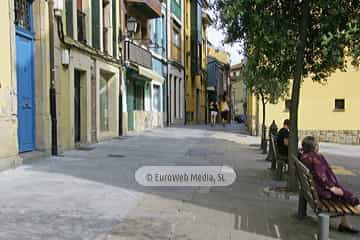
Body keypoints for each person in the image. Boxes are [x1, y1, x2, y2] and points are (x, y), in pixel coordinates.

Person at [301, 136, 360, 234]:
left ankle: (344, 224)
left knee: (344, 194)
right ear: (313, 146)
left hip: (315, 191)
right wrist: (332, 187)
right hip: (323, 193)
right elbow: (322, 176)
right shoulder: (316, 157)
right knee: (350, 197)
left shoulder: (304, 157)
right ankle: (345, 223)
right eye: (317, 143)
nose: (318, 145)